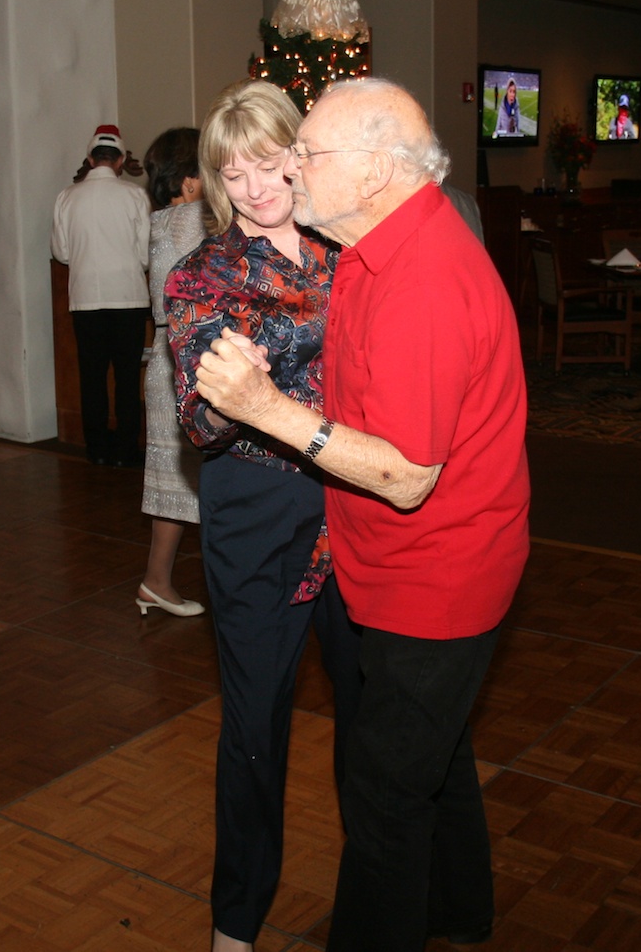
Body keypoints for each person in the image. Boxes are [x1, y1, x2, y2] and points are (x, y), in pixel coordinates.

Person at [191, 77, 530, 952]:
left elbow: (409, 473)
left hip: (432, 573)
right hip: (376, 560)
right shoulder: (377, 249)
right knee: (433, 755)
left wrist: (264, 404)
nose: (289, 174)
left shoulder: (415, 275)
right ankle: (459, 910)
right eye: (262, 164)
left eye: (305, 154)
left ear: (376, 170)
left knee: (384, 794)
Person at [163, 79, 362, 952]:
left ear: (299, 152)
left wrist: (262, 362)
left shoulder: (345, 251)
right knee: (253, 728)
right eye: (230, 169)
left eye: (268, 158)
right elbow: (201, 417)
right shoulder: (200, 275)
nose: (252, 183)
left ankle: (382, 894)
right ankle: (235, 923)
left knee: (370, 713)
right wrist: (259, 368)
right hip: (256, 511)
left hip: (357, 501)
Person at [135, 127, 207, 618]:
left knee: (174, 479)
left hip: (168, 352)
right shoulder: (195, 218)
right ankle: (161, 582)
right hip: (191, 354)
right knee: (202, 476)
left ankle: (156, 581)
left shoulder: (161, 220)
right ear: (188, 181)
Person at [51, 125, 151, 466]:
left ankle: (96, 449)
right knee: (126, 377)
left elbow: (61, 252)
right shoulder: (135, 196)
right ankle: (126, 450)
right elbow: (145, 256)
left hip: (86, 301)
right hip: (129, 299)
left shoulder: (67, 196)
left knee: (91, 377)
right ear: (120, 160)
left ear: (91, 159)